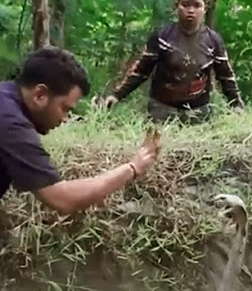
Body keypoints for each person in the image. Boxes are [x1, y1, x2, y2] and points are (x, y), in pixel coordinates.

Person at [0, 46, 160, 216]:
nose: (65, 118)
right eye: (65, 108)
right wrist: (133, 168)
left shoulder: (5, 99)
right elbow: (63, 199)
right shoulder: (10, 123)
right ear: (40, 95)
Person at [103, 0, 244, 123]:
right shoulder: (162, 37)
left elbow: (225, 76)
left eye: (197, 5)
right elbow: (141, 71)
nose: (190, 10)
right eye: (185, 5)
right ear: (176, 7)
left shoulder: (213, 41)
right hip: (162, 110)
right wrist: (117, 95)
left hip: (198, 112)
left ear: (205, 9)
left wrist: (236, 104)